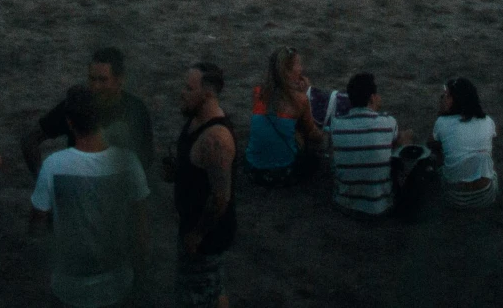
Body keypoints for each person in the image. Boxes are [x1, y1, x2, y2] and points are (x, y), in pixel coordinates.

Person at [30, 83, 151, 308]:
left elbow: (36, 227)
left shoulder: (52, 166)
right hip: (117, 282)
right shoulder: (128, 163)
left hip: (69, 286)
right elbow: (140, 229)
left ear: (69, 123)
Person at [26, 47, 159, 180]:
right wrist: (42, 180)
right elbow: (30, 140)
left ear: (120, 79)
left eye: (102, 80)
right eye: (92, 79)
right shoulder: (76, 106)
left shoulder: (136, 110)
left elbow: (146, 159)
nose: (96, 86)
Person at [169, 62, 237, 308]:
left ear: (207, 94)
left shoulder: (216, 139)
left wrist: (197, 235)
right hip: (195, 227)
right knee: (214, 287)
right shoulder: (195, 119)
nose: (182, 92)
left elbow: (220, 198)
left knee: (197, 294)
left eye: (189, 88)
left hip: (206, 235)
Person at [328, 72, 420, 217]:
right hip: (382, 206)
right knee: (405, 137)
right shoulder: (388, 122)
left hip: (344, 204)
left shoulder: (336, 124)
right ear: (372, 98)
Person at [245, 47, 323, 186]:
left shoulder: (258, 93)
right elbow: (311, 132)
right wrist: (305, 93)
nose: (301, 69)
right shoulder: (300, 100)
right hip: (284, 173)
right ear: (287, 71)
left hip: (253, 170)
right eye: (298, 65)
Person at [432, 77, 498, 209]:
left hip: (454, 197)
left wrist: (440, 114)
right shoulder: (488, 121)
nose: (443, 98)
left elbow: (431, 145)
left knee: (436, 156)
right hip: (486, 196)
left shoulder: (442, 123)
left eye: (447, 95)